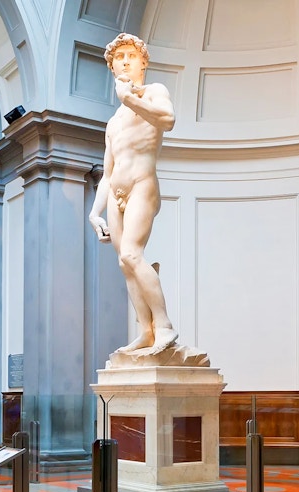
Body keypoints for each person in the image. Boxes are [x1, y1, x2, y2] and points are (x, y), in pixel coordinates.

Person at [88, 32, 178, 355]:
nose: (124, 62)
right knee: (126, 265)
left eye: (130, 56)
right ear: (112, 68)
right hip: (116, 193)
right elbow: (107, 173)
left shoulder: (154, 92)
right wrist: (94, 212)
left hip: (142, 182)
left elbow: (168, 120)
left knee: (131, 254)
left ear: (143, 62)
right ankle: (146, 330)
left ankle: (165, 325)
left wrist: (132, 99)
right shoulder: (112, 123)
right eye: (118, 59)